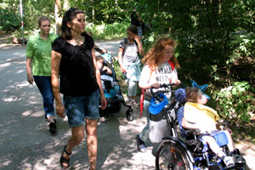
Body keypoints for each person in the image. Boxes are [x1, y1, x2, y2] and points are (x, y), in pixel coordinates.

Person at [51, 8, 107, 169]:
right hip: (72, 96)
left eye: (84, 20)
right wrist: (58, 102)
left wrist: (102, 92)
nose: (83, 23)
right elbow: (54, 74)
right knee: (78, 136)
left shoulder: (88, 39)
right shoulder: (59, 44)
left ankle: (93, 167)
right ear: (69, 24)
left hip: (92, 93)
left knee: (92, 133)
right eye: (79, 20)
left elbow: (95, 68)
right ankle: (68, 150)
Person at [137, 37, 181, 152]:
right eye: (167, 52)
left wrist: (176, 82)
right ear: (159, 51)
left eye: (171, 52)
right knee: (152, 124)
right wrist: (151, 84)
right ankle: (141, 139)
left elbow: (174, 80)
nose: (170, 55)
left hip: (166, 99)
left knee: (167, 123)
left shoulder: (171, 65)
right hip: (152, 100)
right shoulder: (150, 66)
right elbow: (141, 84)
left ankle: (167, 145)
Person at [182, 87, 236, 167]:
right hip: (202, 134)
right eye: (201, 97)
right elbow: (184, 124)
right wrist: (197, 126)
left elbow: (212, 123)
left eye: (203, 95)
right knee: (210, 140)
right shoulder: (190, 109)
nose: (204, 97)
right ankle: (224, 157)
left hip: (213, 131)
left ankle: (233, 154)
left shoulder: (205, 110)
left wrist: (223, 128)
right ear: (195, 101)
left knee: (226, 133)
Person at [26, 16, 58, 134]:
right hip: (39, 73)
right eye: (44, 25)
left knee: (53, 95)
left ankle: (48, 113)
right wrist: (29, 73)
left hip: (54, 72)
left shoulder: (54, 38)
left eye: (49, 25)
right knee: (48, 96)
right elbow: (29, 59)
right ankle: (51, 119)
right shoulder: (33, 40)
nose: (47, 28)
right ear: (39, 26)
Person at [117, 25, 144, 106]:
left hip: (135, 65)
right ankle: (129, 98)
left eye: (131, 34)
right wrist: (121, 66)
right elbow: (120, 54)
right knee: (132, 82)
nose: (128, 36)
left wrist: (139, 42)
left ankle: (133, 99)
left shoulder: (137, 42)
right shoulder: (124, 42)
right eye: (128, 34)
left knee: (135, 83)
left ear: (135, 35)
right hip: (127, 65)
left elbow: (142, 53)